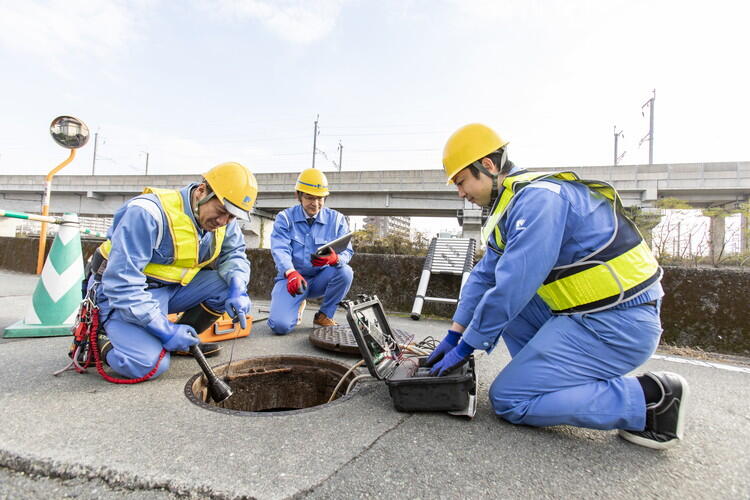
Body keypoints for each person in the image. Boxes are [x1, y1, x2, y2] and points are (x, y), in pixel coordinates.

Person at [425, 123, 688, 450]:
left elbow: (513, 285)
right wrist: (454, 335)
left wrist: (467, 347)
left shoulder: (538, 200)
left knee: (509, 400)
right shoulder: (511, 205)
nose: (461, 193)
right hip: (589, 315)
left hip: (619, 323)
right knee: (509, 310)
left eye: (462, 181)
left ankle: (651, 402)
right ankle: (547, 380)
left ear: (488, 166)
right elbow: (484, 277)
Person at [88, 162, 257, 380]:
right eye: (222, 211)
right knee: (147, 365)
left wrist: (238, 288)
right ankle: (101, 336)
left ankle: (182, 340)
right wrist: (164, 330)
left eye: (233, 216)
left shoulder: (225, 221)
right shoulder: (147, 213)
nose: (224, 221)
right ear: (202, 191)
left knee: (226, 286)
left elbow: (234, 255)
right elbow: (121, 283)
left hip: (171, 290)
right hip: (122, 295)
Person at [267, 168, 354, 334]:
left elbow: (347, 251)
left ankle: (324, 315)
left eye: (320, 198)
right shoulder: (285, 218)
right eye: (309, 197)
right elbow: (280, 249)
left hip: (320, 278)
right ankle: (297, 303)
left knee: (345, 272)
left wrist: (336, 259)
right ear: (298, 196)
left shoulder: (337, 220)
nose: (315, 203)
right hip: (292, 280)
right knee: (280, 327)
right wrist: (290, 272)